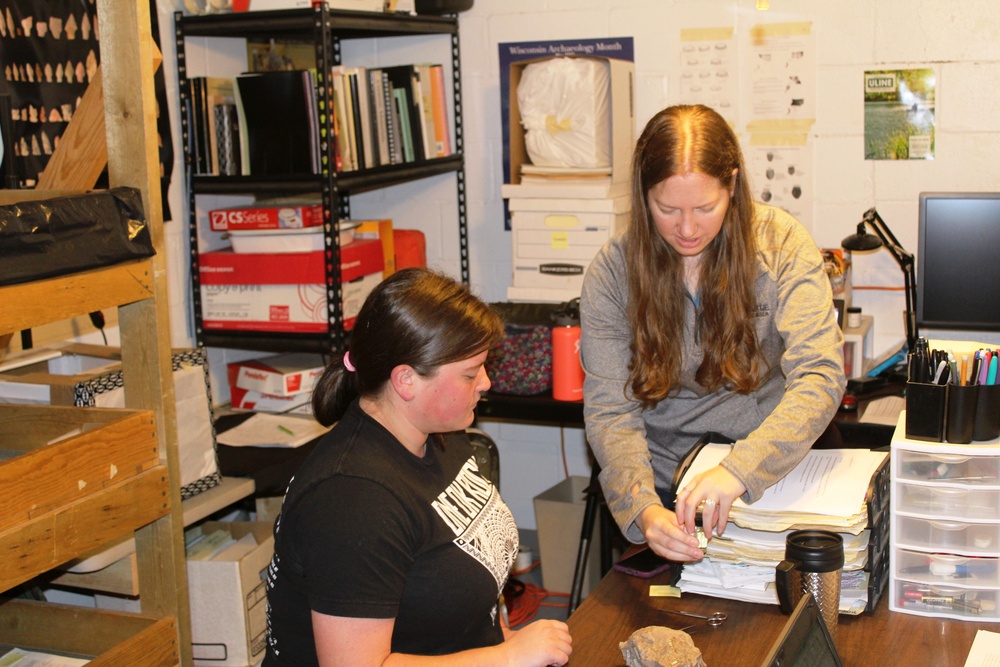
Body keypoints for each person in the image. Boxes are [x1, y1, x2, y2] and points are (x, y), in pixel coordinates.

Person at [263, 268, 572, 667]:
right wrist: (508, 657)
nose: (487, 382)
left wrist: (500, 637)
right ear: (406, 380)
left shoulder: (443, 433)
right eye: (469, 373)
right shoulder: (351, 500)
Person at [580, 104, 846, 563]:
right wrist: (643, 507)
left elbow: (819, 374)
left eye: (706, 207)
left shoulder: (782, 244)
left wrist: (738, 470)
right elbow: (610, 412)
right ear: (643, 197)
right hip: (665, 480)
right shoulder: (612, 272)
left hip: (767, 466)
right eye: (667, 209)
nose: (686, 229)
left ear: (734, 186)